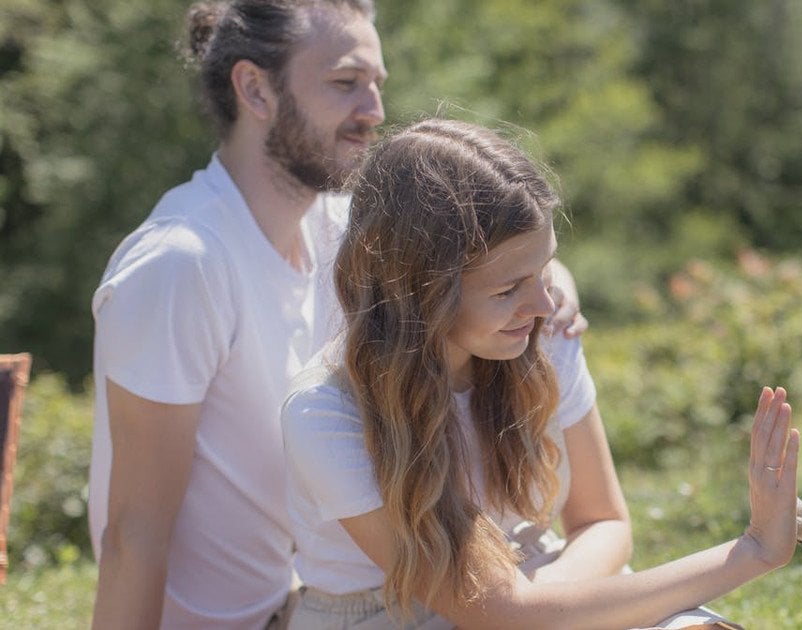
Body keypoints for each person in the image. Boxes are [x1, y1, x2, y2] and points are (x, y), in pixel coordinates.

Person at [87, 2, 585, 628]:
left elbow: (487, 260)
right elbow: (133, 531)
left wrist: (553, 279)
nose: (373, 110)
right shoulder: (181, 264)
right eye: (346, 82)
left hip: (310, 605)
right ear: (255, 89)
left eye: (377, 83)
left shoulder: (338, 233)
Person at [281, 118, 801, 629]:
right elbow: (497, 612)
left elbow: (603, 522)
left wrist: (546, 603)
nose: (543, 304)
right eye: (507, 289)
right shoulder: (326, 413)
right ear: (418, 292)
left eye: (544, 269)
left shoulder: (541, 336)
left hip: (542, 585)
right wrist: (752, 551)